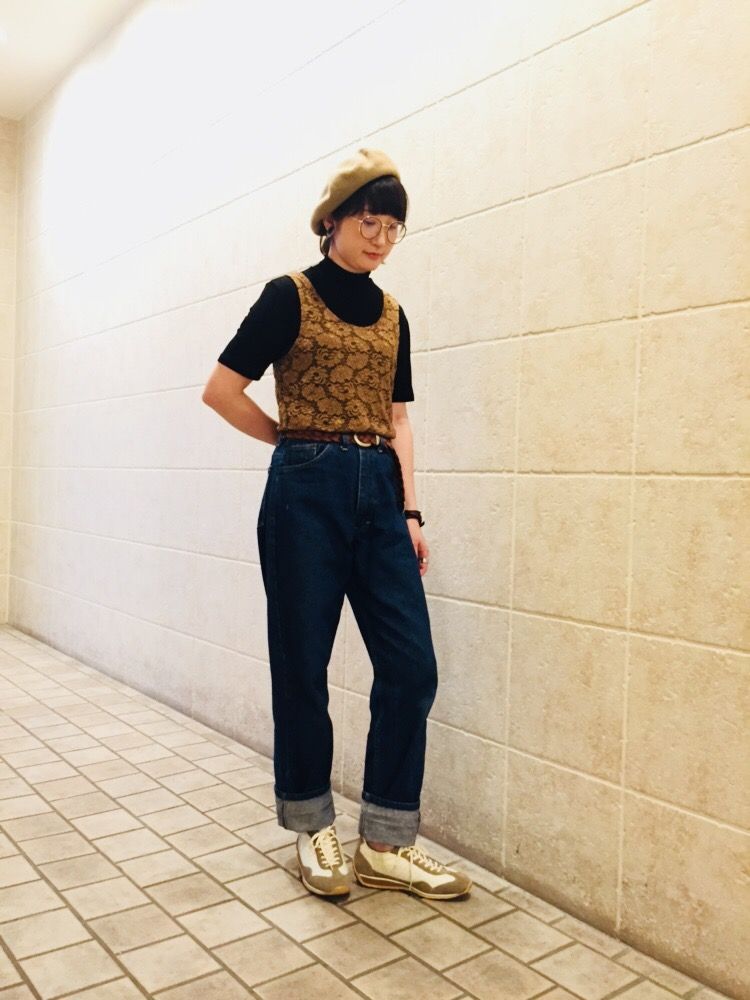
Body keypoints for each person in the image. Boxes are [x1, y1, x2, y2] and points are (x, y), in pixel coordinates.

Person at [202, 148, 472, 901]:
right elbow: (221, 390)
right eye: (369, 222)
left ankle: (385, 840)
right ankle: (312, 825)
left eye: (393, 228)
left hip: (382, 491)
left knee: (411, 667)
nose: (381, 238)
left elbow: (398, 418)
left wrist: (410, 509)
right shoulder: (287, 296)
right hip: (306, 492)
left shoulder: (393, 316)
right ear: (333, 222)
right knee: (302, 665)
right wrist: (291, 444)